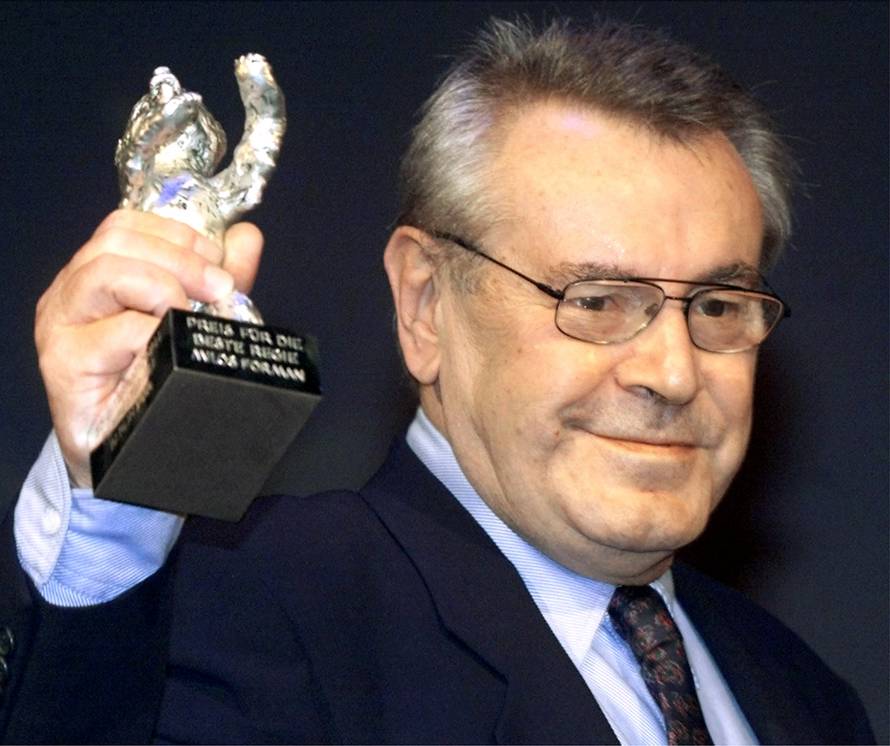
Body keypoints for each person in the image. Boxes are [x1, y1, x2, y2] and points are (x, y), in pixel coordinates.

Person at [0, 17, 874, 745]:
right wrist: (115, 516)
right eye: (599, 298)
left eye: (718, 305)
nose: (673, 372)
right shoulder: (255, 610)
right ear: (425, 305)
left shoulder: (804, 697)